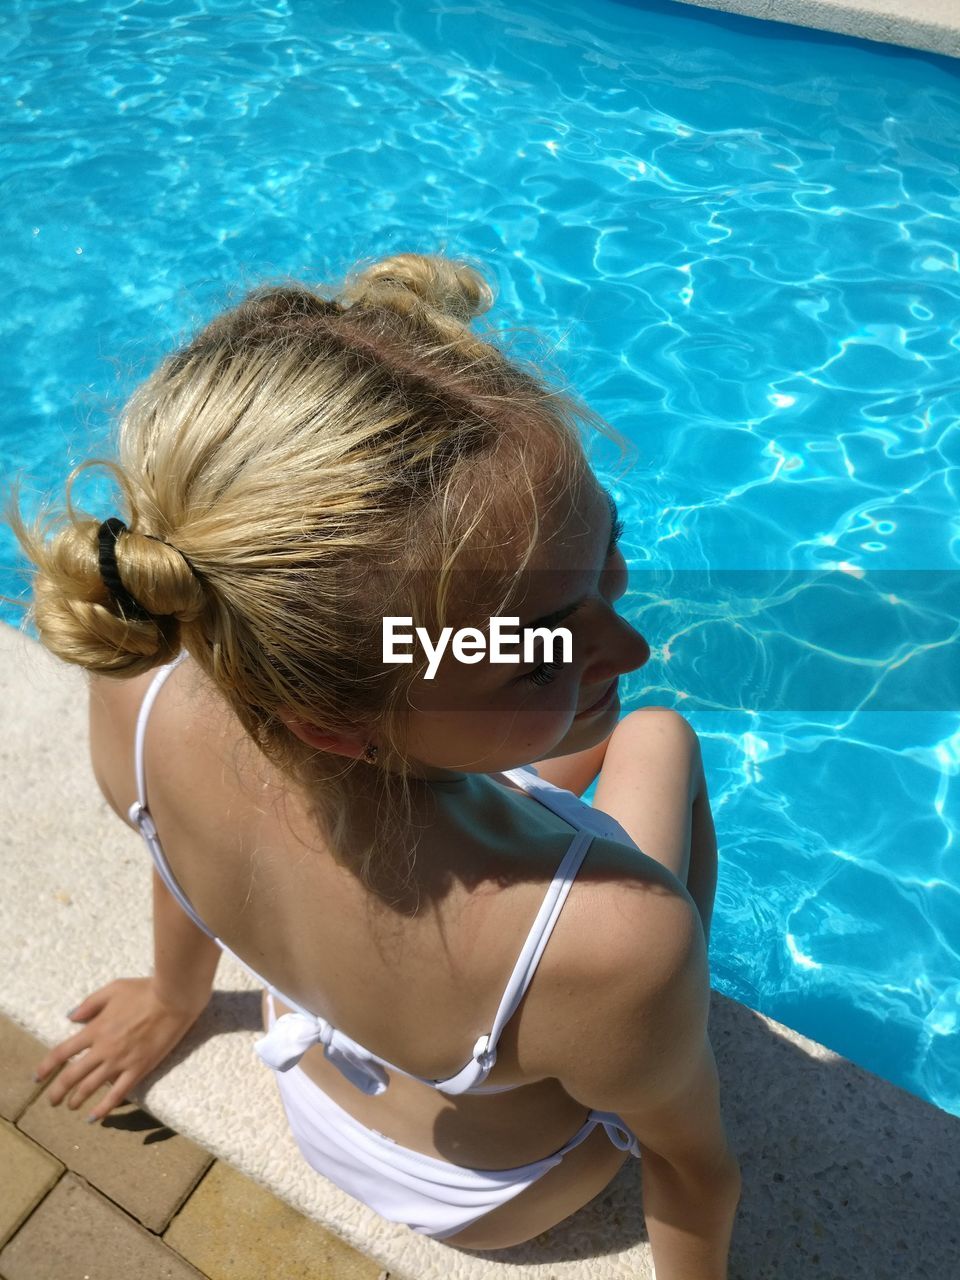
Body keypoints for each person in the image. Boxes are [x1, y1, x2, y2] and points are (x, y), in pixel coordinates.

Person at [6, 252, 740, 1273]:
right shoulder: (619, 939)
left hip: (312, 1067)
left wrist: (175, 996)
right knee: (657, 733)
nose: (626, 647)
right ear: (336, 726)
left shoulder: (144, 678)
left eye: (605, 560)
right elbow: (694, 1167)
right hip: (486, 1190)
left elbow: (176, 846)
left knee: (604, 731)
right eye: (537, 648)